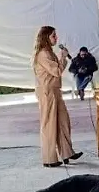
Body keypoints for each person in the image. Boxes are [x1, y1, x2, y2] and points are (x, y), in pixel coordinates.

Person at [32, 26, 80, 167]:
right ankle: (49, 159)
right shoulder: (43, 54)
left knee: (63, 121)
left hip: (55, 91)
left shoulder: (49, 52)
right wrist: (63, 57)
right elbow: (57, 71)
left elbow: (58, 69)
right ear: (46, 37)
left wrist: (62, 58)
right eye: (53, 36)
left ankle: (67, 152)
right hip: (47, 92)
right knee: (50, 125)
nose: (56, 38)